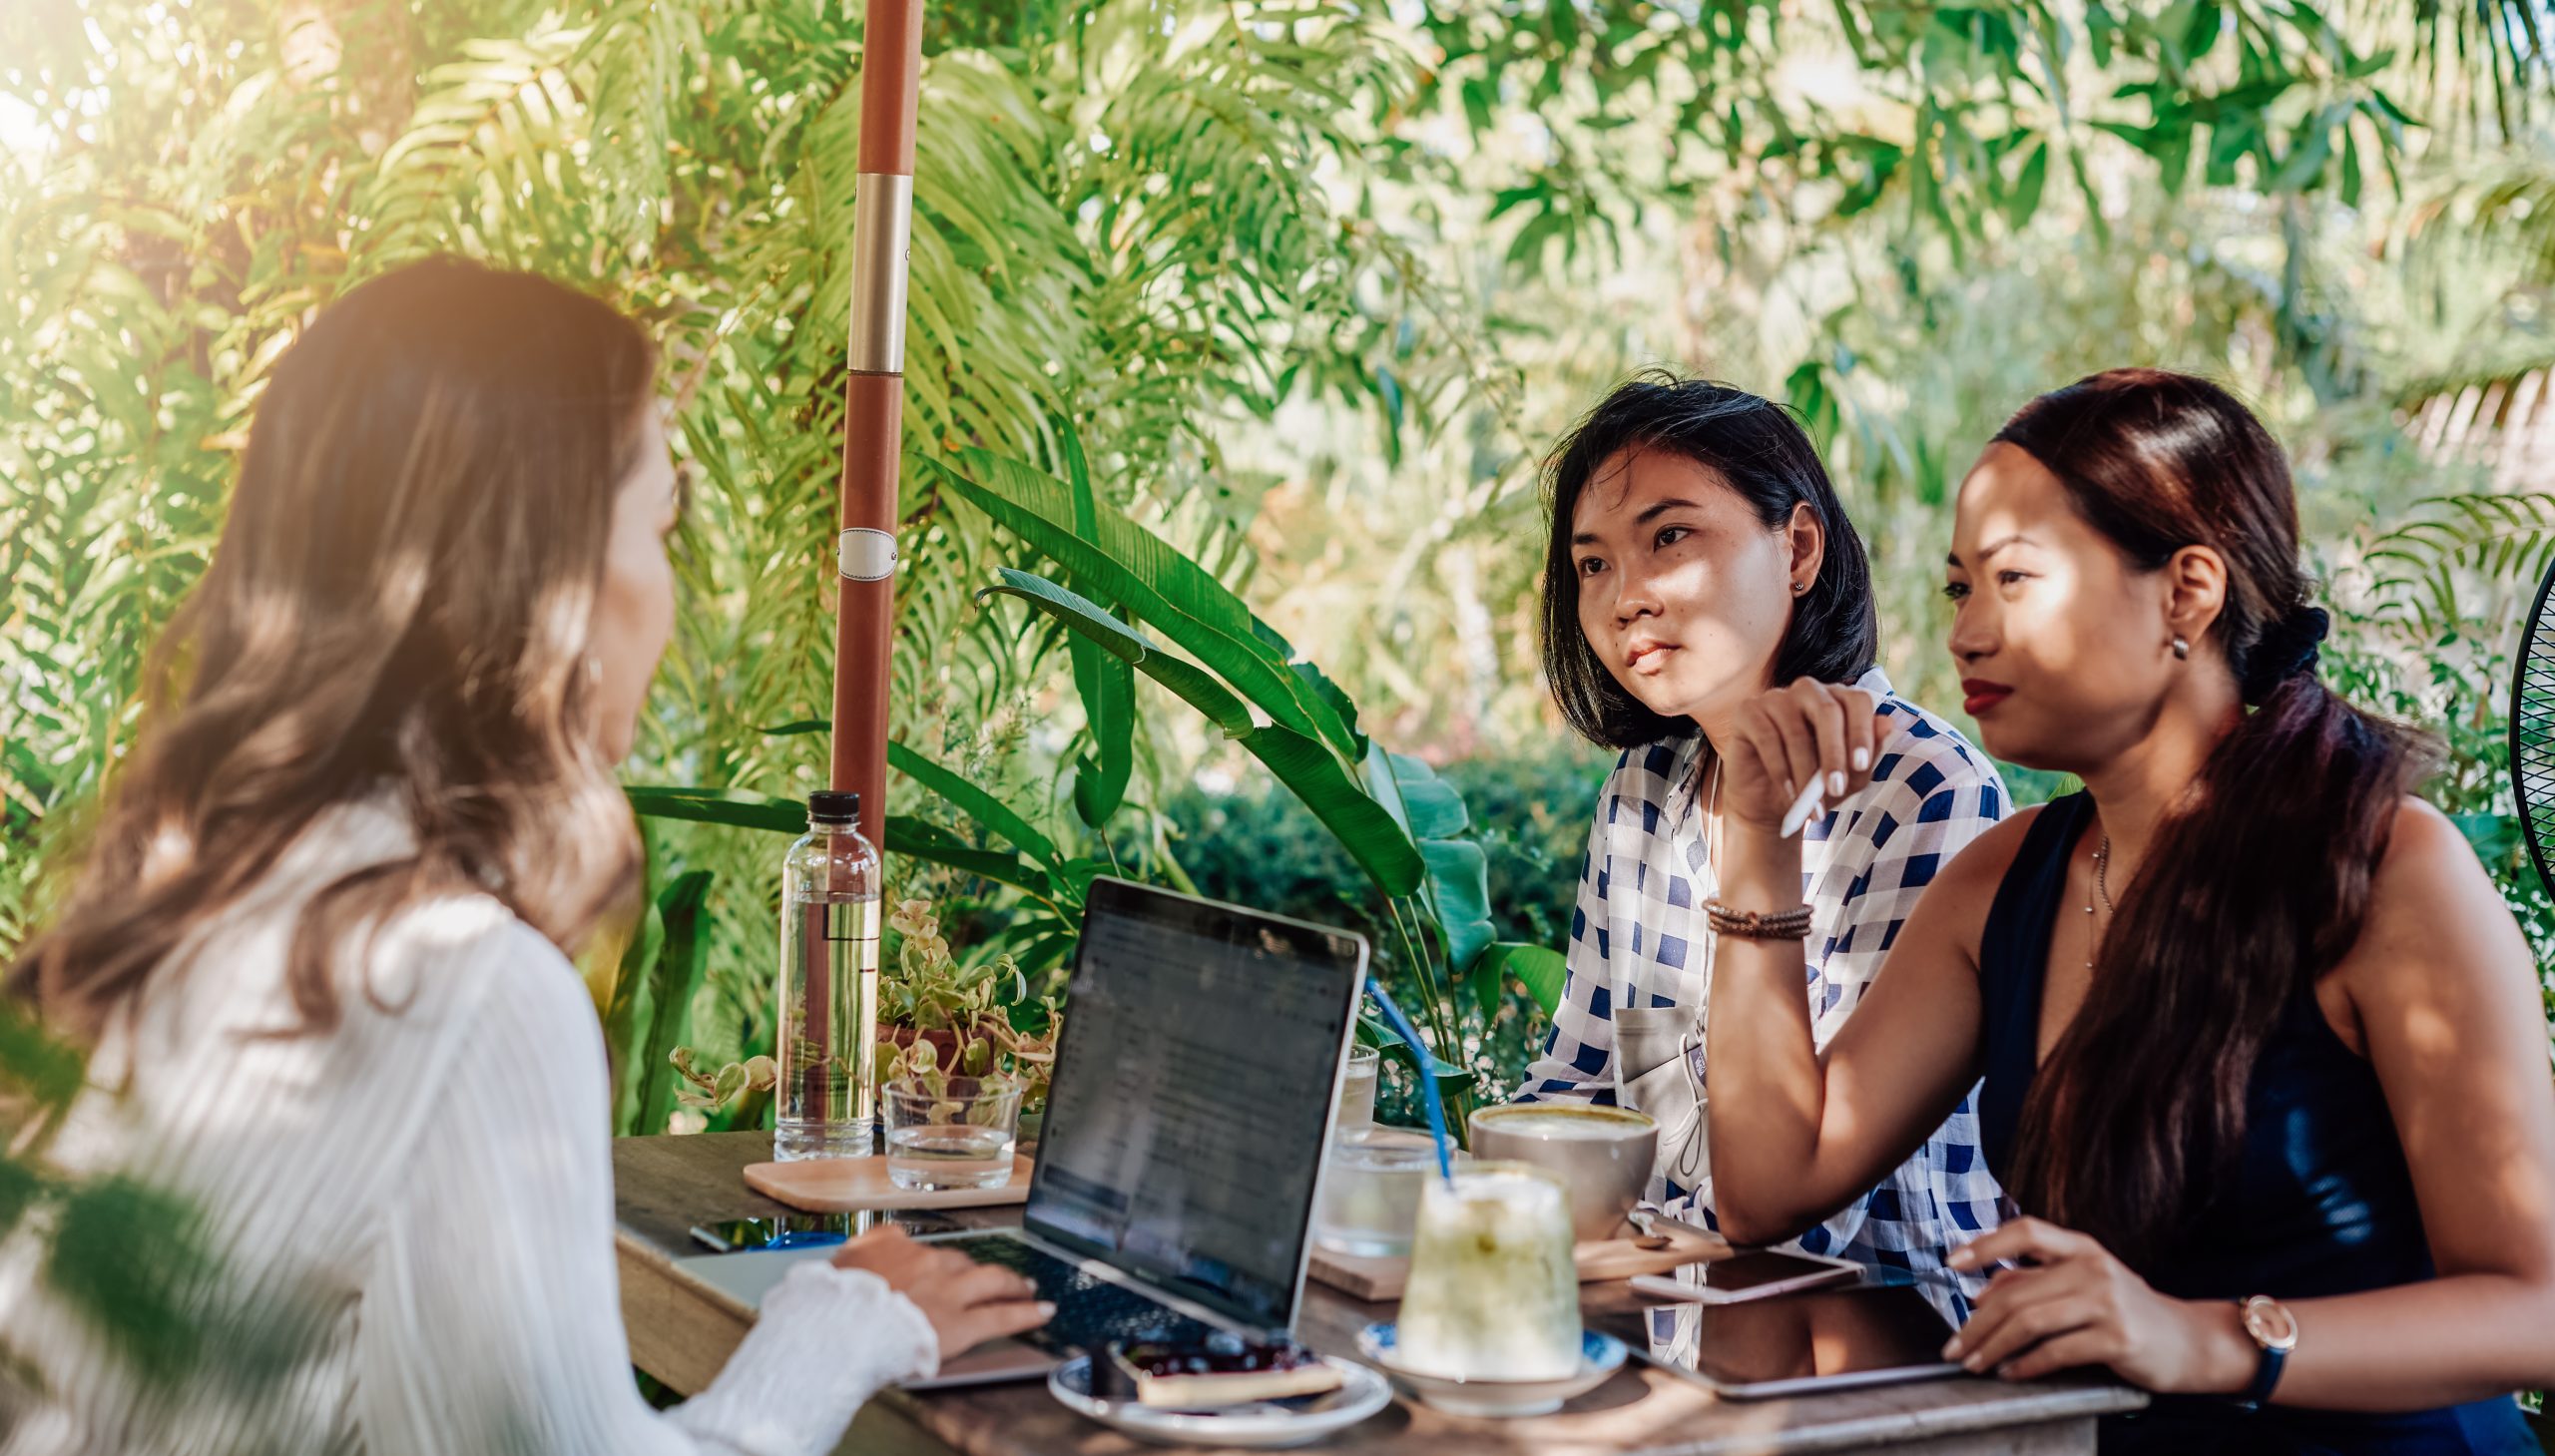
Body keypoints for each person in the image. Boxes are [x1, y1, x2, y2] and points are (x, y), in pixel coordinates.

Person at [0, 257, 1049, 1455]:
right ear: (547, 574)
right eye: (660, 522)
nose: (667, 591)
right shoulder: (456, 986)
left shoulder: (187, 903)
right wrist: (848, 1317)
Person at [1703, 368, 2555, 1454]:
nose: (1965, 632)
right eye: (1957, 588)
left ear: (2186, 592)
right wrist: (1759, 840)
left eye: (2013, 578)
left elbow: (2533, 1308)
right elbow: (1769, 1191)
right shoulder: (2002, 879)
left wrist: (2203, 1339)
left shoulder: (2382, 866)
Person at [1514, 374, 2009, 1303]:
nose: (1626, 599)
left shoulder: (1920, 791)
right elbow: (1573, 1092)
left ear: (1798, 548)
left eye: (1669, 536)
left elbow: (1816, 1216)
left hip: (1891, 1333)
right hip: (1670, 1309)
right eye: (1593, 564)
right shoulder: (1643, 791)